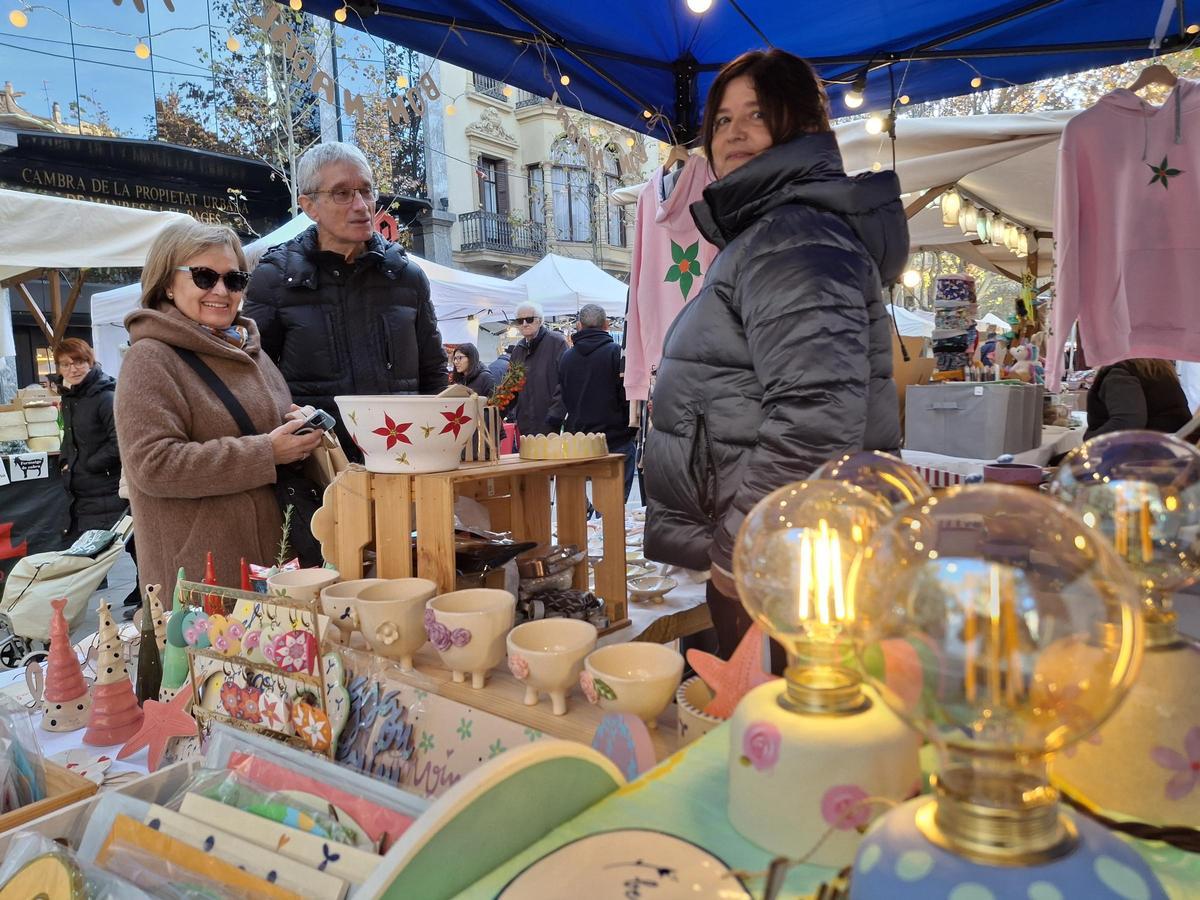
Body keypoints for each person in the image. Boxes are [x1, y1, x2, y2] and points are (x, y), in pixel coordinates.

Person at [643, 49, 907, 660]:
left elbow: (815, 422)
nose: (733, 133)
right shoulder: (769, 233)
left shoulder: (791, 235)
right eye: (723, 119)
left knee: (784, 740)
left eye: (757, 115)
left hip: (786, 566)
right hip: (786, 557)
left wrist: (741, 552)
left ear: (802, 126)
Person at [115, 221, 324, 600]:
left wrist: (296, 428)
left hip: (276, 559)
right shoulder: (151, 358)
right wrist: (266, 451)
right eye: (204, 276)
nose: (221, 290)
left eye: (234, 279)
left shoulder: (250, 350)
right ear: (166, 283)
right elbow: (153, 465)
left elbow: (267, 431)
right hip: (205, 574)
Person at [243, 142, 445, 460]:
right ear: (309, 206)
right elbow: (253, 382)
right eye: (342, 193)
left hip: (403, 464)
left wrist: (438, 448)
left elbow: (433, 374)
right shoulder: (276, 279)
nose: (362, 205)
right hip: (317, 472)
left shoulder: (407, 276)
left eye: (366, 190)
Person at [559, 304, 638, 500]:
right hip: (615, 438)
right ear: (607, 324)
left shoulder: (567, 357)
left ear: (579, 326)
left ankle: (589, 523)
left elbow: (564, 397)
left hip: (581, 439)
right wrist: (630, 430)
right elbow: (626, 396)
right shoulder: (616, 353)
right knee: (613, 505)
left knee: (580, 502)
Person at [56, 338, 123, 545]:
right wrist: (64, 461)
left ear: (90, 362)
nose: (72, 369)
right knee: (91, 564)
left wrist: (89, 464)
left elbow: (121, 442)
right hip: (83, 496)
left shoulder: (106, 397)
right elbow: (70, 437)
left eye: (78, 362)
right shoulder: (70, 398)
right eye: (65, 364)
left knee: (133, 552)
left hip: (110, 492)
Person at [1085, 358, 1192, 440]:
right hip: (1174, 447)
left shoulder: (1120, 372)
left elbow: (1128, 422)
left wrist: (1091, 440)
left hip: (1147, 455)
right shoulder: (1157, 366)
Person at [508, 301, 567, 437]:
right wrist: (498, 409)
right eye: (519, 320)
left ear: (540, 321)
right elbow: (510, 386)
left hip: (551, 423)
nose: (524, 324)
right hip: (526, 423)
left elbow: (566, 381)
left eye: (529, 319)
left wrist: (556, 414)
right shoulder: (518, 350)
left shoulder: (557, 343)